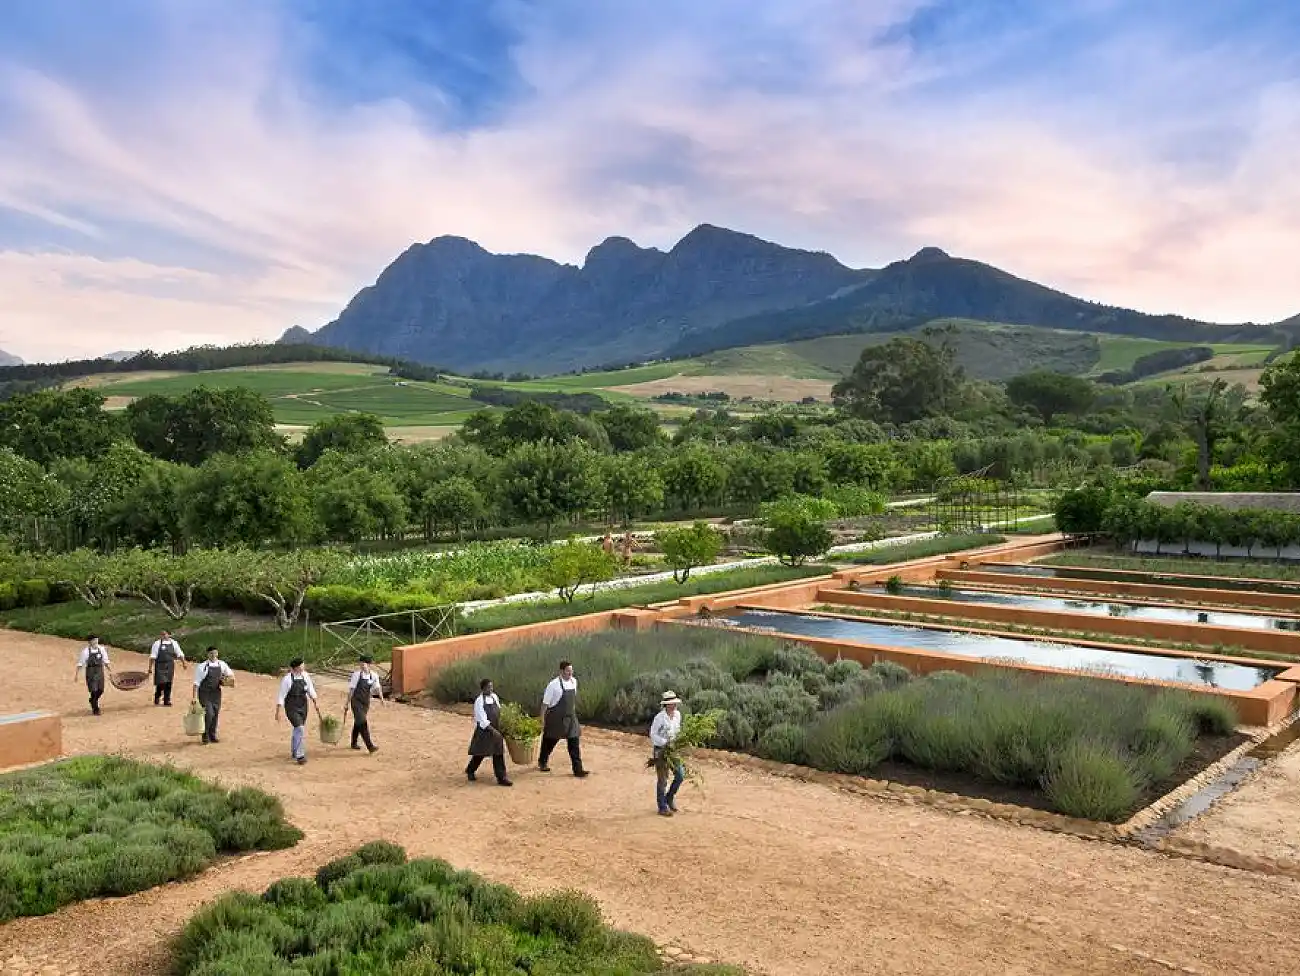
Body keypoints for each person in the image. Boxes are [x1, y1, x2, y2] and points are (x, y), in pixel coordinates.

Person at [538, 660, 588, 777]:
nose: (570, 673)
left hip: (571, 717)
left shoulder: (574, 682)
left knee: (574, 743)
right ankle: (542, 761)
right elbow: (545, 704)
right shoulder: (553, 685)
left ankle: (578, 769)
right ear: (561, 671)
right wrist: (542, 719)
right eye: (567, 671)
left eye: (571, 670)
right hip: (556, 718)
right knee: (550, 740)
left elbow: (573, 701)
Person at [466, 678, 512, 786]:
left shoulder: (494, 697)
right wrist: (493, 731)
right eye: (488, 687)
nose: (491, 689)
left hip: (496, 729)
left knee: (498, 753)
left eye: (491, 686)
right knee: (480, 753)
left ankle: (501, 777)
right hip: (485, 731)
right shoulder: (479, 701)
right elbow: (482, 720)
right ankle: (470, 770)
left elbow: (499, 710)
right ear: (483, 688)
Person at [275, 658, 321, 765]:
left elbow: (310, 690)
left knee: (298, 729)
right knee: (299, 728)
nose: (303, 667)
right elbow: (281, 695)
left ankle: (294, 751)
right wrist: (278, 711)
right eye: (301, 665)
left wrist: (315, 702)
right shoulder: (287, 679)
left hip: (303, 705)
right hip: (292, 707)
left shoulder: (305, 676)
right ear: (295, 667)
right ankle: (300, 755)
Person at [650, 690, 686, 817]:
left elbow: (678, 731)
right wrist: (665, 742)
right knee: (663, 779)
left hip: (673, 749)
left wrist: (679, 741)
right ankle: (662, 806)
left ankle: (669, 797)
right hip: (661, 750)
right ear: (666, 705)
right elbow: (653, 735)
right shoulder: (659, 718)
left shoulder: (677, 715)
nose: (673, 705)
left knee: (680, 775)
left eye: (674, 703)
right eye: (670, 703)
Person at [192, 646, 234, 744]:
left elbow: (230, 675)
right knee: (209, 714)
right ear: (207, 654)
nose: (213, 655)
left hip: (216, 693)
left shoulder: (222, 664)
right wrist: (194, 697)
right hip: (205, 693)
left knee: (215, 713)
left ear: (217, 653)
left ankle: (212, 735)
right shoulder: (202, 667)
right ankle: (205, 735)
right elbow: (196, 683)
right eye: (211, 653)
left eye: (215, 653)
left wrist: (228, 681)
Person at [342, 654, 383, 753]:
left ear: (369, 665)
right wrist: (347, 703)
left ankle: (353, 742)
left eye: (363, 663)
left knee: (358, 722)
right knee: (363, 722)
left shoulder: (374, 675)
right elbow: (351, 690)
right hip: (356, 701)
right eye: (360, 663)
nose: (361, 665)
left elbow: (377, 687)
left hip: (365, 702)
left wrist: (381, 698)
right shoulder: (356, 675)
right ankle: (370, 746)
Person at [73, 635, 112, 716]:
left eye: (97, 640)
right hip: (90, 672)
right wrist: (76, 675)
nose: (96, 642)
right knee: (93, 690)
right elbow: (80, 663)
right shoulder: (85, 651)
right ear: (90, 642)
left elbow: (105, 660)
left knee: (100, 690)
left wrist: (110, 670)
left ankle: (92, 700)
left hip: (100, 671)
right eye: (94, 640)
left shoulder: (101, 649)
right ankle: (95, 708)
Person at [148, 630, 187, 707]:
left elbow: (179, 654)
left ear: (169, 634)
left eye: (164, 634)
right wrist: (150, 668)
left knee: (169, 682)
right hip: (160, 665)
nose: (163, 635)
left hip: (169, 665)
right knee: (161, 682)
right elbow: (153, 656)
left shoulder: (174, 643)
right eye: (161, 634)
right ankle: (157, 695)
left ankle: (167, 700)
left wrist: (184, 663)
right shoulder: (157, 644)